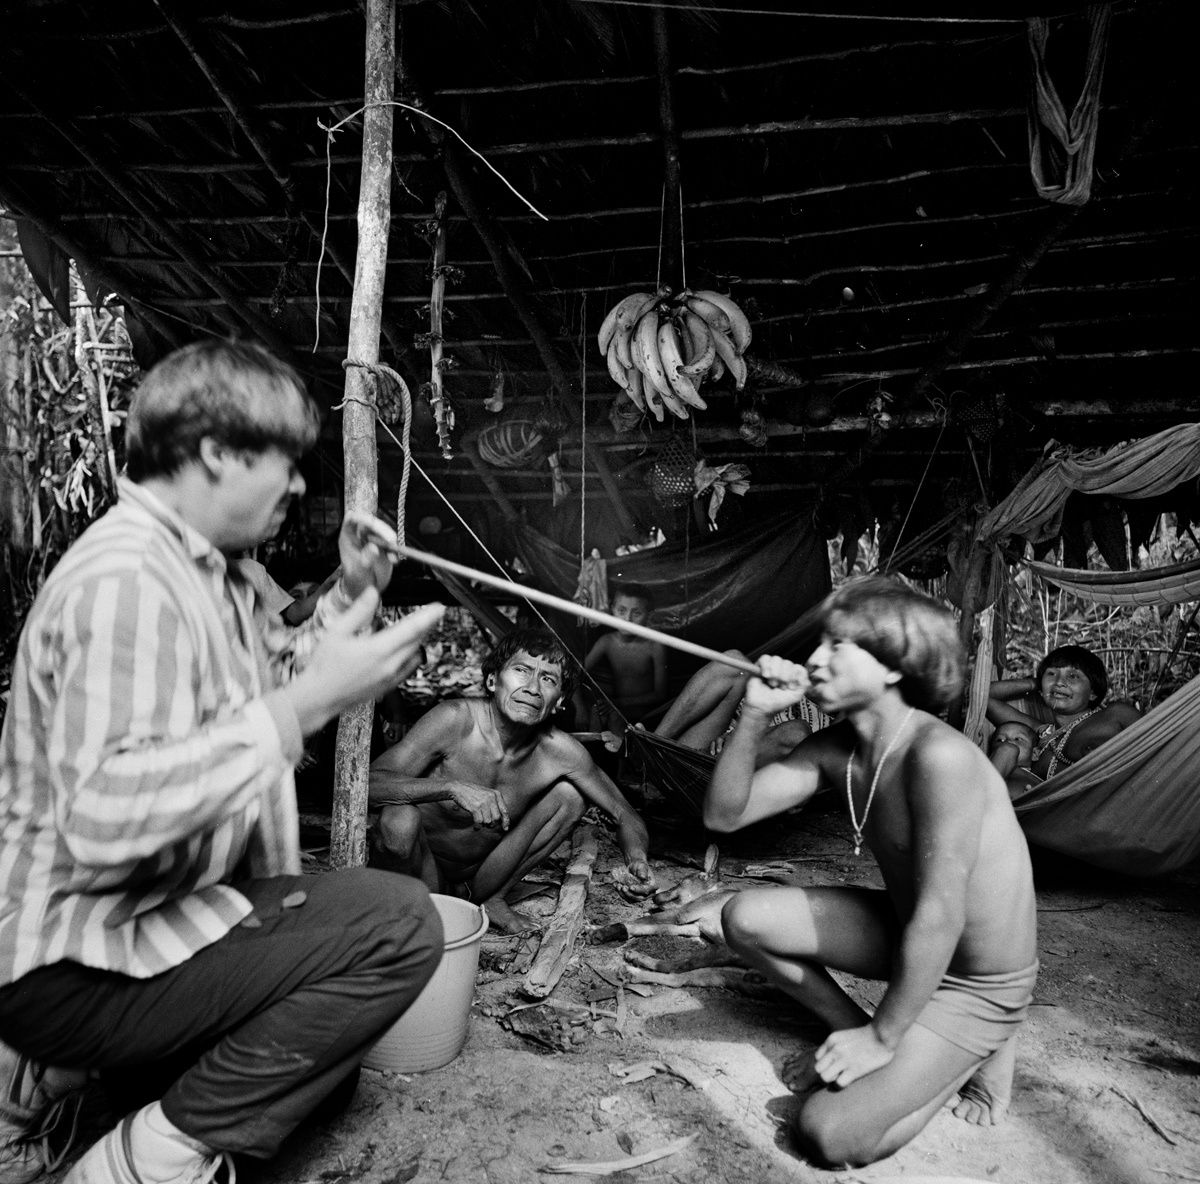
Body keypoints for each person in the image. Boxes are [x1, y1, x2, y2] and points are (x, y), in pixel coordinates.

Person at [0, 340, 447, 1184]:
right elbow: (103, 817)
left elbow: (268, 674)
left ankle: (80, 1084)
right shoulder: (127, 579)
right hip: (77, 962)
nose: (297, 485)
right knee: (397, 925)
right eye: (282, 461)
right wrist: (308, 706)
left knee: (330, 1077)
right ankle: (133, 1165)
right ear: (215, 452)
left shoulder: (213, 575)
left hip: (151, 927)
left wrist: (352, 591)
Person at [702, 577, 1038, 1168]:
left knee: (828, 1131)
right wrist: (752, 714)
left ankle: (983, 1041)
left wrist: (886, 1041)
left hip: (978, 979)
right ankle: (854, 1032)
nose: (813, 660)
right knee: (743, 917)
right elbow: (724, 815)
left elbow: (942, 912)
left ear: (891, 666)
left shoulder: (941, 756)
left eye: (837, 646)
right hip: (908, 935)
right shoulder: (837, 750)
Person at [369, 626, 656, 933]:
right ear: (493, 681)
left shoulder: (561, 753)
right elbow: (366, 785)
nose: (533, 687)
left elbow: (624, 813)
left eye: (548, 679)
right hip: (420, 869)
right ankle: (410, 914)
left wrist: (637, 859)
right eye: (522, 670)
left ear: (559, 701)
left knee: (570, 798)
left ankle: (492, 899)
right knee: (399, 819)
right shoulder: (455, 719)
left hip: (480, 878)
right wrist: (451, 788)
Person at [987, 643, 1141, 781]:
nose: (1059, 682)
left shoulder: (1116, 715)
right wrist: (1036, 683)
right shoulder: (1040, 734)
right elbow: (985, 697)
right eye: (1052, 674)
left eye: (1073, 676)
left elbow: (1158, 746)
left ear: (1093, 692)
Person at [653, 651, 815, 765]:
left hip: (722, 773)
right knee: (735, 662)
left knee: (797, 732)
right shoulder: (791, 679)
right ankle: (650, 746)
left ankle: (676, 765)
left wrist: (739, 738)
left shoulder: (833, 724)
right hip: (704, 746)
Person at [580, 584, 668, 731]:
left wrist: (618, 703)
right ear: (612, 609)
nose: (627, 619)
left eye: (637, 613)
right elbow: (577, 673)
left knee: (614, 717)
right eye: (621, 610)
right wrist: (581, 709)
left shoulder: (655, 646)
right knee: (597, 713)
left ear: (649, 615)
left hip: (645, 714)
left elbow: (661, 694)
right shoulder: (606, 642)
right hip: (616, 707)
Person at [988, 720, 1039, 795]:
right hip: (987, 799)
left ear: (1034, 753)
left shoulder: (1044, 781)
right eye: (1000, 740)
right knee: (1008, 750)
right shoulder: (994, 767)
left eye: (1017, 739)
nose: (1008, 741)